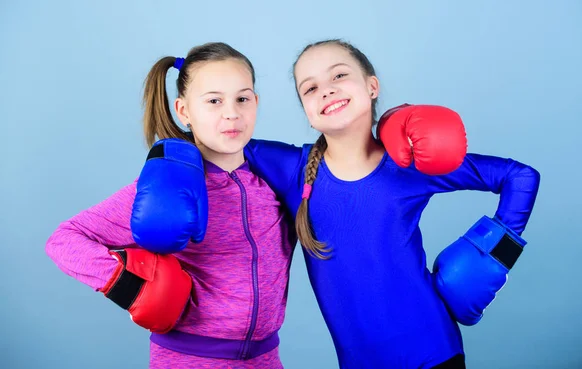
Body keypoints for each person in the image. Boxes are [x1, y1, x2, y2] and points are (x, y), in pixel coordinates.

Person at [134, 39, 541, 369]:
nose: (325, 89)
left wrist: (488, 257)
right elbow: (218, 137)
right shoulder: (292, 169)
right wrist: (170, 159)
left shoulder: (410, 167)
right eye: (309, 88)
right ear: (308, 113)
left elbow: (520, 177)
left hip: (434, 354)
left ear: (372, 86)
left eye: (340, 76)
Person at [46, 42, 295, 369]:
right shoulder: (169, 188)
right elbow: (63, 240)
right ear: (183, 111)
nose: (231, 112)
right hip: (188, 359)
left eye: (242, 98)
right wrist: (129, 285)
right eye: (214, 101)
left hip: (265, 358)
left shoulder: (271, 182)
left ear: (256, 103)